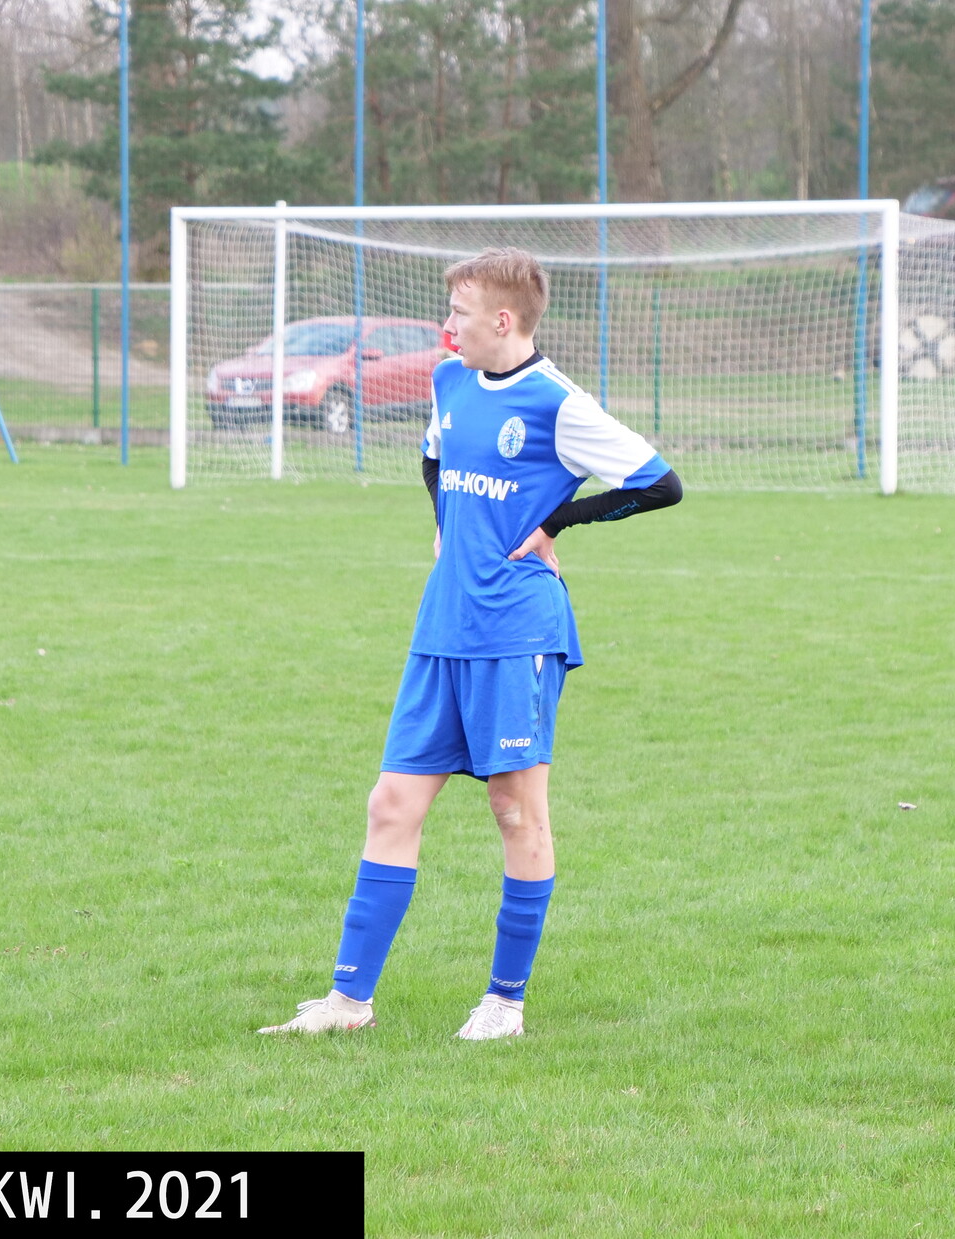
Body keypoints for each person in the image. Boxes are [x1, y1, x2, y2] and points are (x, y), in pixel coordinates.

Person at [260, 247, 682, 1041]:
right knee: (391, 802)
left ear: (503, 319)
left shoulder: (558, 403)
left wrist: (556, 522)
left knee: (515, 810)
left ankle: (503, 1003)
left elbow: (659, 483)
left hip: (517, 631)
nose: (447, 324)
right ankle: (348, 1002)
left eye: (458, 312)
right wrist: (443, 526)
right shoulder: (449, 381)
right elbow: (433, 459)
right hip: (444, 625)